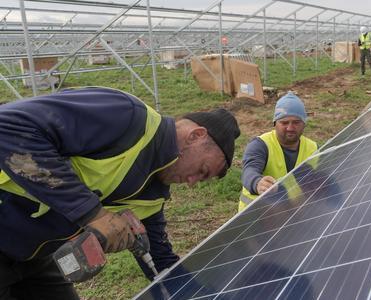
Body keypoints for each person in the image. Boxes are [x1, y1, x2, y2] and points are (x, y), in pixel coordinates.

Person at [0, 86, 240, 300]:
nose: (191, 182)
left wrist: (200, 293)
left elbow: (160, 260)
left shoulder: (153, 195)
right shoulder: (124, 116)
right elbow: (8, 126)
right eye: (202, 171)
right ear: (195, 136)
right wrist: (92, 213)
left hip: (31, 258)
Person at [238, 92, 317, 211]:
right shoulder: (260, 145)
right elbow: (249, 170)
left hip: (293, 214)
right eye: (284, 123)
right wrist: (257, 183)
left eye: (296, 122)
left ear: (304, 123)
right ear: (275, 123)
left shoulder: (313, 148)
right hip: (257, 217)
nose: (290, 128)